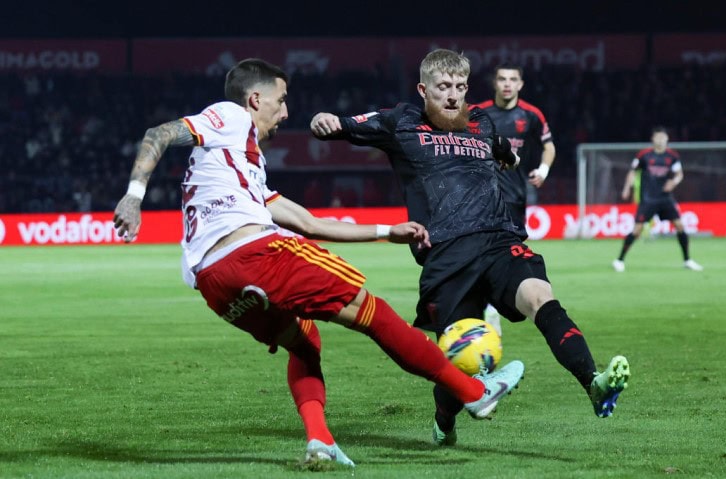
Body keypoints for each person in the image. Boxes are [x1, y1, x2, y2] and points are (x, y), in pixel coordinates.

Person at [112, 58, 525, 468]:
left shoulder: (240, 172)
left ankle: (320, 440)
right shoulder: (231, 116)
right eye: (281, 100)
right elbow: (159, 133)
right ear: (256, 99)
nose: (286, 111)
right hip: (256, 254)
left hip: (215, 283)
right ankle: (473, 393)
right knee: (373, 312)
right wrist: (133, 196)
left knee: (304, 341)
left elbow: (309, 223)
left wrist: (387, 231)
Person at [310, 49, 630, 447]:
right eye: (444, 87)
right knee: (455, 354)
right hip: (446, 255)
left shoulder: (478, 121)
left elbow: (502, 148)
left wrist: (510, 156)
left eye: (460, 87)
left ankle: (593, 382)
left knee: (540, 296)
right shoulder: (400, 121)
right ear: (423, 89)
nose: (453, 96)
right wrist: (324, 122)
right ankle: (445, 420)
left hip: (499, 239)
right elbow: (339, 124)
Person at [472, 64, 556, 336]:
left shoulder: (531, 115)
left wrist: (543, 169)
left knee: (511, 254)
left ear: (521, 84)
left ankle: (498, 304)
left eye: (513, 79)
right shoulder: (478, 113)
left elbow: (549, 146)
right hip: (482, 195)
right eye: (502, 79)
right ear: (494, 83)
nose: (507, 84)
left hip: (515, 197)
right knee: (479, 251)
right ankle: (484, 308)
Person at [613, 126, 703, 272]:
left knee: (680, 226)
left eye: (663, 137)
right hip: (648, 199)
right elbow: (632, 172)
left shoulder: (672, 156)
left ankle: (687, 260)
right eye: (658, 137)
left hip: (665, 198)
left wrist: (673, 182)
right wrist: (626, 188)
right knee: (637, 230)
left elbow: (679, 174)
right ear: (653, 139)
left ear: (667, 139)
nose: (660, 140)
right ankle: (619, 260)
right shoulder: (644, 155)